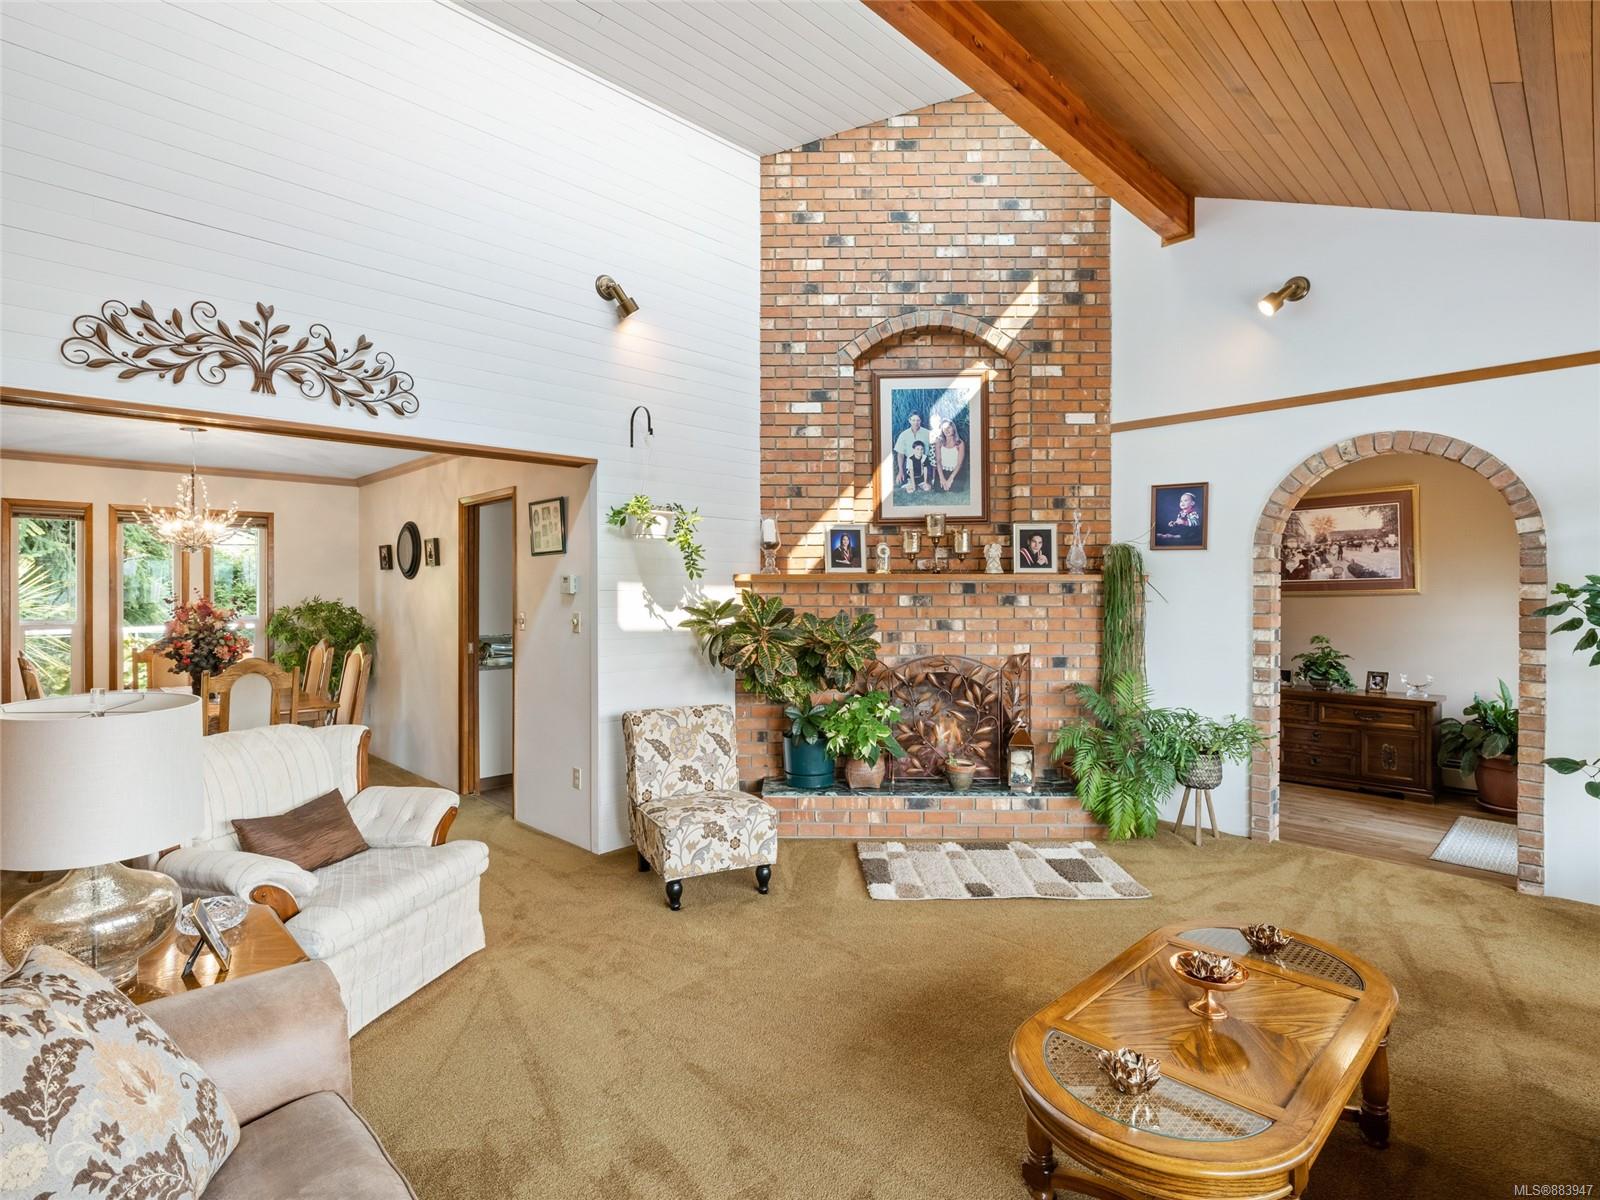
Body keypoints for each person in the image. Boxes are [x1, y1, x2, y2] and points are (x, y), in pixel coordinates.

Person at [893, 413, 930, 488]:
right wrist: (900, 471)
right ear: (909, 420)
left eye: (918, 420)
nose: (916, 423)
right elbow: (900, 454)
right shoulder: (904, 435)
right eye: (913, 420)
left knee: (927, 484)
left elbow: (934, 449)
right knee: (900, 482)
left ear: (921, 421)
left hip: (923, 462)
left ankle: (923, 481)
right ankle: (910, 481)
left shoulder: (927, 433)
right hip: (910, 463)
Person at [934, 416, 966, 492]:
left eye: (949, 427)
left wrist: (950, 479)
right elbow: (938, 461)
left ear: (953, 429)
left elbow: (959, 464)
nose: (947, 430)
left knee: (956, 489)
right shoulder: (939, 441)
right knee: (939, 489)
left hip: (955, 471)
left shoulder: (960, 443)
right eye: (944, 428)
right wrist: (942, 478)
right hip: (942, 470)